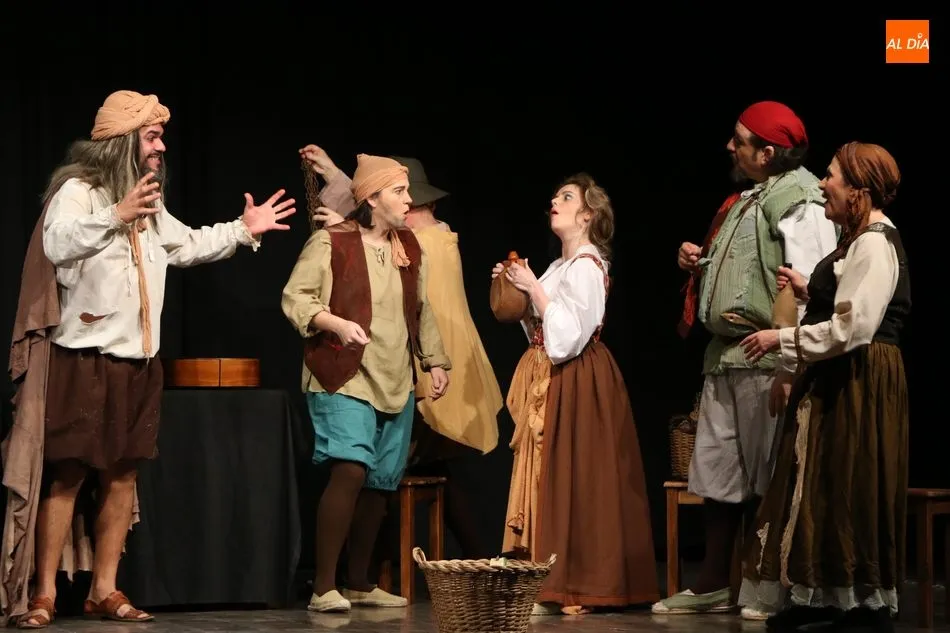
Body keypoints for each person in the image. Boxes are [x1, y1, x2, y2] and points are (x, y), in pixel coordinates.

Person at [2, 90, 295, 629]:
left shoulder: (149, 202)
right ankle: (43, 592)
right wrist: (115, 215)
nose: (161, 147)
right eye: (152, 137)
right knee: (67, 476)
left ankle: (103, 589)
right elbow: (57, 243)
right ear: (121, 142)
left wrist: (241, 230)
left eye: (161, 138)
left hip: (139, 362)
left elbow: (185, 246)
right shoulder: (80, 192)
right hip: (84, 357)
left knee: (122, 476)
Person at [654, 101, 838, 616]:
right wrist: (699, 261)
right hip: (727, 356)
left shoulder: (799, 199)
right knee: (720, 474)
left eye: (740, 140)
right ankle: (715, 582)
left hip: (767, 355)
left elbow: (810, 283)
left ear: (769, 152)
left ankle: (770, 584)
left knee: (769, 475)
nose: (730, 147)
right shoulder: (748, 198)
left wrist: (791, 362)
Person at [299, 145, 502, 560]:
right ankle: (469, 560)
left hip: (426, 372)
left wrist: (349, 232)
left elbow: (378, 241)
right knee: (387, 469)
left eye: (410, 196)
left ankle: (376, 571)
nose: (405, 204)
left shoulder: (430, 242)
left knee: (386, 472)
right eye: (399, 193)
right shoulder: (408, 236)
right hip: (404, 370)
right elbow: (367, 216)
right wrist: (336, 178)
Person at [737, 142, 909, 631]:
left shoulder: (875, 242)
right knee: (824, 483)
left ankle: (860, 605)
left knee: (850, 480)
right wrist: (811, 291)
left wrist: (780, 338)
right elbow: (847, 304)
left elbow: (853, 328)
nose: (821, 183)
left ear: (858, 190)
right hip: (840, 374)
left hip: (860, 376)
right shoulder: (857, 240)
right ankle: (826, 598)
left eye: (831, 176)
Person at [281, 153, 452, 613]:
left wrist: (434, 361)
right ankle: (323, 587)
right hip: (343, 373)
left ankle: (358, 581)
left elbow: (420, 308)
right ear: (372, 198)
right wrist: (334, 322)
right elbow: (296, 297)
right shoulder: (332, 242)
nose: (409, 199)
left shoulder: (407, 246)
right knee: (352, 468)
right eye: (399, 191)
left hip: (394, 375)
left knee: (380, 481)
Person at [492, 173, 659, 616]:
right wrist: (516, 292)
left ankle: (577, 583)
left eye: (567, 197)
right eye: (555, 195)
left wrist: (534, 289)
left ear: (588, 215)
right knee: (546, 475)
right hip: (550, 373)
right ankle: (547, 578)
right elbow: (542, 330)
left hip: (578, 377)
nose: (555, 200)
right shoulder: (558, 267)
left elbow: (568, 339)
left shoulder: (586, 265)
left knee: (576, 476)